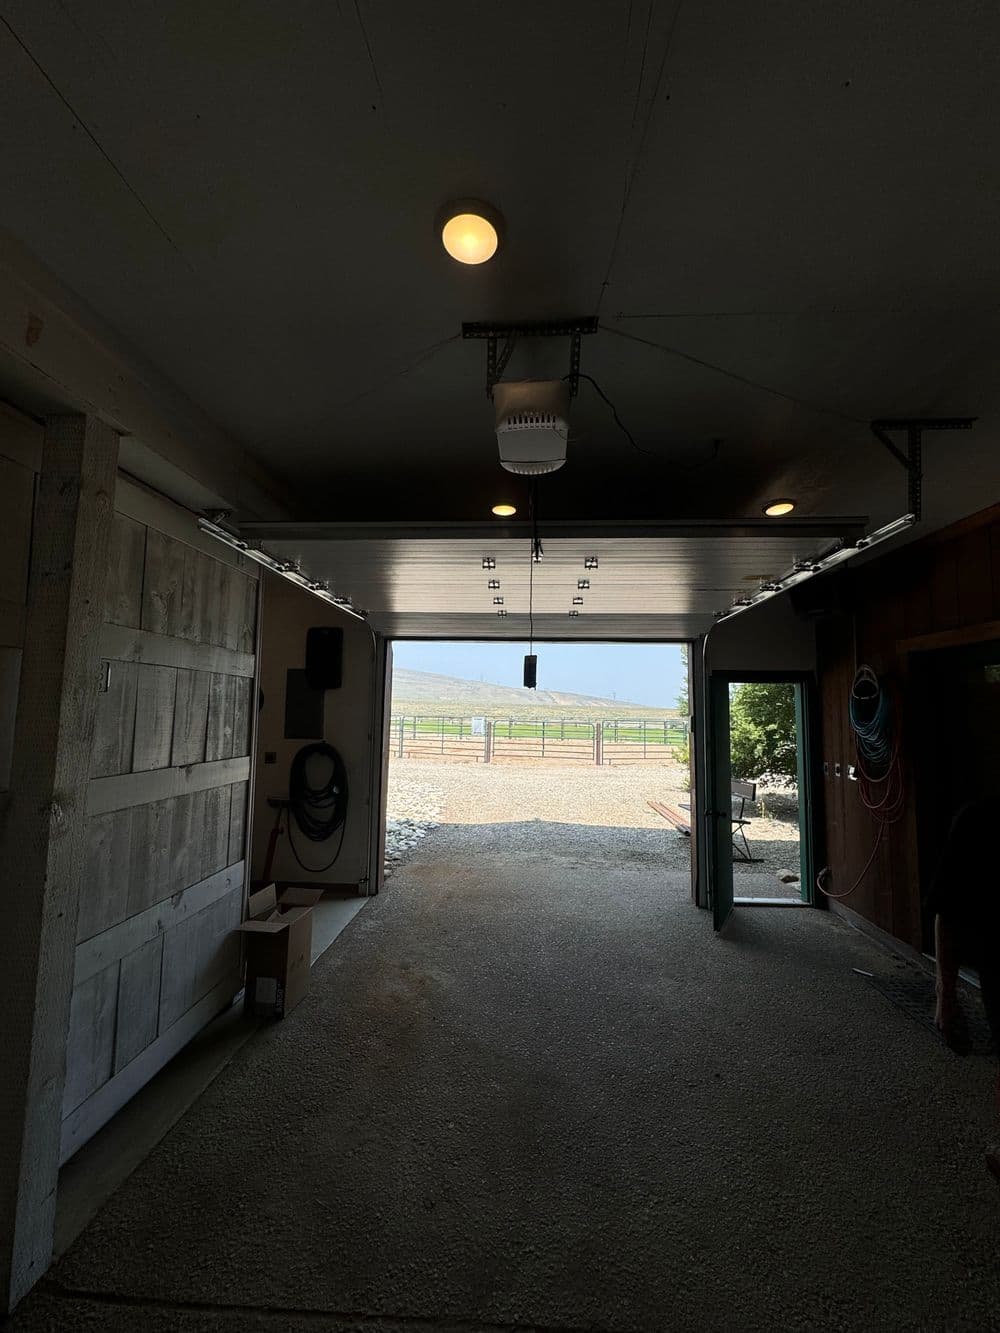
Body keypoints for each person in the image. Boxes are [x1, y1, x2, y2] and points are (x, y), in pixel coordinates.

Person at [928, 798, 1000, 1181]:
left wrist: (946, 995)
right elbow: (949, 910)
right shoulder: (979, 820)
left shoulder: (979, 819)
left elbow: (948, 910)